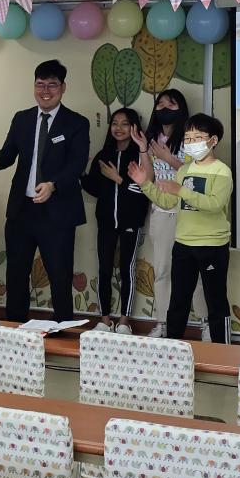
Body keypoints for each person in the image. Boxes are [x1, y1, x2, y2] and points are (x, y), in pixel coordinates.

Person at [0, 60, 90, 322]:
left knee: (60, 274)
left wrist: (53, 185)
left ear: (63, 87)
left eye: (52, 85)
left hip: (57, 212)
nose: (45, 91)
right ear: (34, 86)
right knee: (16, 273)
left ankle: (63, 329)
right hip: (22, 210)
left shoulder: (76, 123)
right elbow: (9, 152)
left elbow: (76, 164)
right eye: (40, 84)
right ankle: (15, 329)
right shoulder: (23, 118)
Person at [130, 114, 233, 343]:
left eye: (198, 138)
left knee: (215, 301)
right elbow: (167, 202)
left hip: (212, 245)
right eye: (188, 138)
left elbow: (215, 204)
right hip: (183, 244)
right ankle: (174, 347)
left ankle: (222, 350)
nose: (191, 143)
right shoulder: (184, 170)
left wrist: (182, 191)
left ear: (213, 140)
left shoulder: (221, 171)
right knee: (178, 300)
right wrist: (144, 183)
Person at [83, 107, 148, 334]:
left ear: (134, 127)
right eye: (114, 123)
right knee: (104, 269)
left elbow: (144, 190)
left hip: (131, 221)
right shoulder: (103, 155)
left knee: (127, 269)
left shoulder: (140, 156)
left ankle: (124, 322)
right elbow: (94, 188)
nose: (118, 128)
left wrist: (117, 179)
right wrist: (80, 173)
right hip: (106, 222)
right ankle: (104, 320)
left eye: (125, 123)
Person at [132, 89, 190, 335]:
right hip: (161, 211)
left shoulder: (191, 137)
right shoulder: (151, 138)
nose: (164, 108)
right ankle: (163, 322)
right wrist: (143, 149)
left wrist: (168, 158)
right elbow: (148, 178)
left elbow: (198, 173)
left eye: (171, 103)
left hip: (190, 212)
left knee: (195, 271)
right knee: (163, 269)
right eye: (160, 103)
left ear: (181, 108)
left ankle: (206, 323)